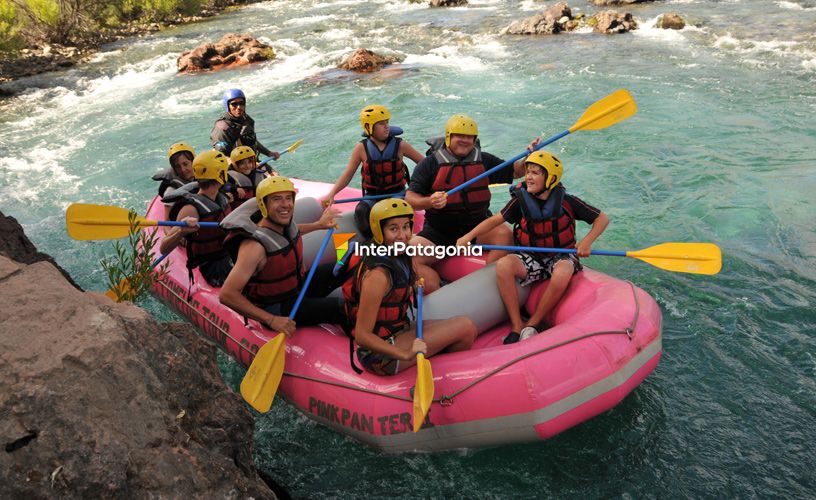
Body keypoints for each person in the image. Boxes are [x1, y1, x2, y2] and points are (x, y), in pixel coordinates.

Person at [455, 151, 609, 344]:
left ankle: (533, 324)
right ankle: (517, 323)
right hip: (531, 256)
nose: (528, 176)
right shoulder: (520, 201)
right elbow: (495, 220)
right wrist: (468, 236)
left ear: (551, 178)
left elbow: (602, 219)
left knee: (562, 273)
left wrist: (587, 241)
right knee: (504, 266)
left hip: (561, 255)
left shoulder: (568, 201)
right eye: (528, 172)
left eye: (535, 173)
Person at [342, 198, 477, 376]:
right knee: (465, 327)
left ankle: (433, 367)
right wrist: (405, 354)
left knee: (467, 329)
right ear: (379, 231)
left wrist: (414, 284)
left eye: (406, 226)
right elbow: (362, 336)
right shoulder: (377, 275)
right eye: (394, 228)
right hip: (379, 354)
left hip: (399, 330)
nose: (402, 235)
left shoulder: (400, 253)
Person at [404, 114, 537, 293]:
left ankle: (485, 286)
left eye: (470, 137)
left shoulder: (483, 160)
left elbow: (515, 171)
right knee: (407, 255)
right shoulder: (429, 164)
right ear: (449, 136)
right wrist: (430, 201)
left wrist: (528, 158)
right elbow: (410, 199)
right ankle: (436, 289)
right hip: (438, 232)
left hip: (477, 227)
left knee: (504, 234)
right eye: (460, 135)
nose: (465, 140)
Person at [219, 176, 344, 336]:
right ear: (264, 205)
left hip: (296, 287)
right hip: (278, 306)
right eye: (277, 199)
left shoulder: (284, 226)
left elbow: (292, 233)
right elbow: (227, 294)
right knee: (340, 307)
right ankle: (366, 350)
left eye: (288, 198)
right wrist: (271, 319)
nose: (285, 204)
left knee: (345, 265)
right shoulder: (253, 247)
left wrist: (319, 225)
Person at [323, 104, 424, 236]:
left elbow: (424, 164)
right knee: (361, 212)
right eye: (381, 123)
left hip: (397, 193)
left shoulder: (400, 145)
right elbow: (348, 174)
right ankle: (373, 243)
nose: (387, 126)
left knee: (397, 212)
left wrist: (417, 189)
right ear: (369, 127)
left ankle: (403, 240)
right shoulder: (361, 148)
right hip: (373, 195)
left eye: (387, 122)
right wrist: (332, 194)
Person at [160, 149, 234, 288]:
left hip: (229, 256)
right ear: (220, 175)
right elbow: (164, 248)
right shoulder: (191, 209)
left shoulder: (222, 198)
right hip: (213, 267)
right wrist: (181, 231)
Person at [211, 88, 280, 161]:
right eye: (234, 104)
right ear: (228, 106)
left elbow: (252, 141)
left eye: (241, 103)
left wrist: (269, 153)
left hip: (252, 162)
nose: (239, 107)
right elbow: (221, 156)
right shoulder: (222, 127)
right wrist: (245, 165)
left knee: (275, 173)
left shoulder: (247, 120)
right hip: (233, 167)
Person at [226, 145, 272, 210]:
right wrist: (234, 188)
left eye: (249, 162)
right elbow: (223, 186)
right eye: (242, 163)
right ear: (235, 165)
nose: (247, 166)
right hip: (242, 210)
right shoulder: (229, 175)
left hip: (260, 206)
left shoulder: (258, 170)